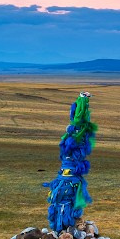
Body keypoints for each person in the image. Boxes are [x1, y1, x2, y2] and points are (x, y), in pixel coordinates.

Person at [44, 91, 97, 231]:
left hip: (67, 175)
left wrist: (82, 101)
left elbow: (78, 119)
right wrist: (83, 101)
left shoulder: (71, 138)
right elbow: (79, 119)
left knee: (63, 198)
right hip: (69, 177)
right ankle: (64, 226)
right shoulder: (76, 138)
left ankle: (62, 227)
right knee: (66, 198)